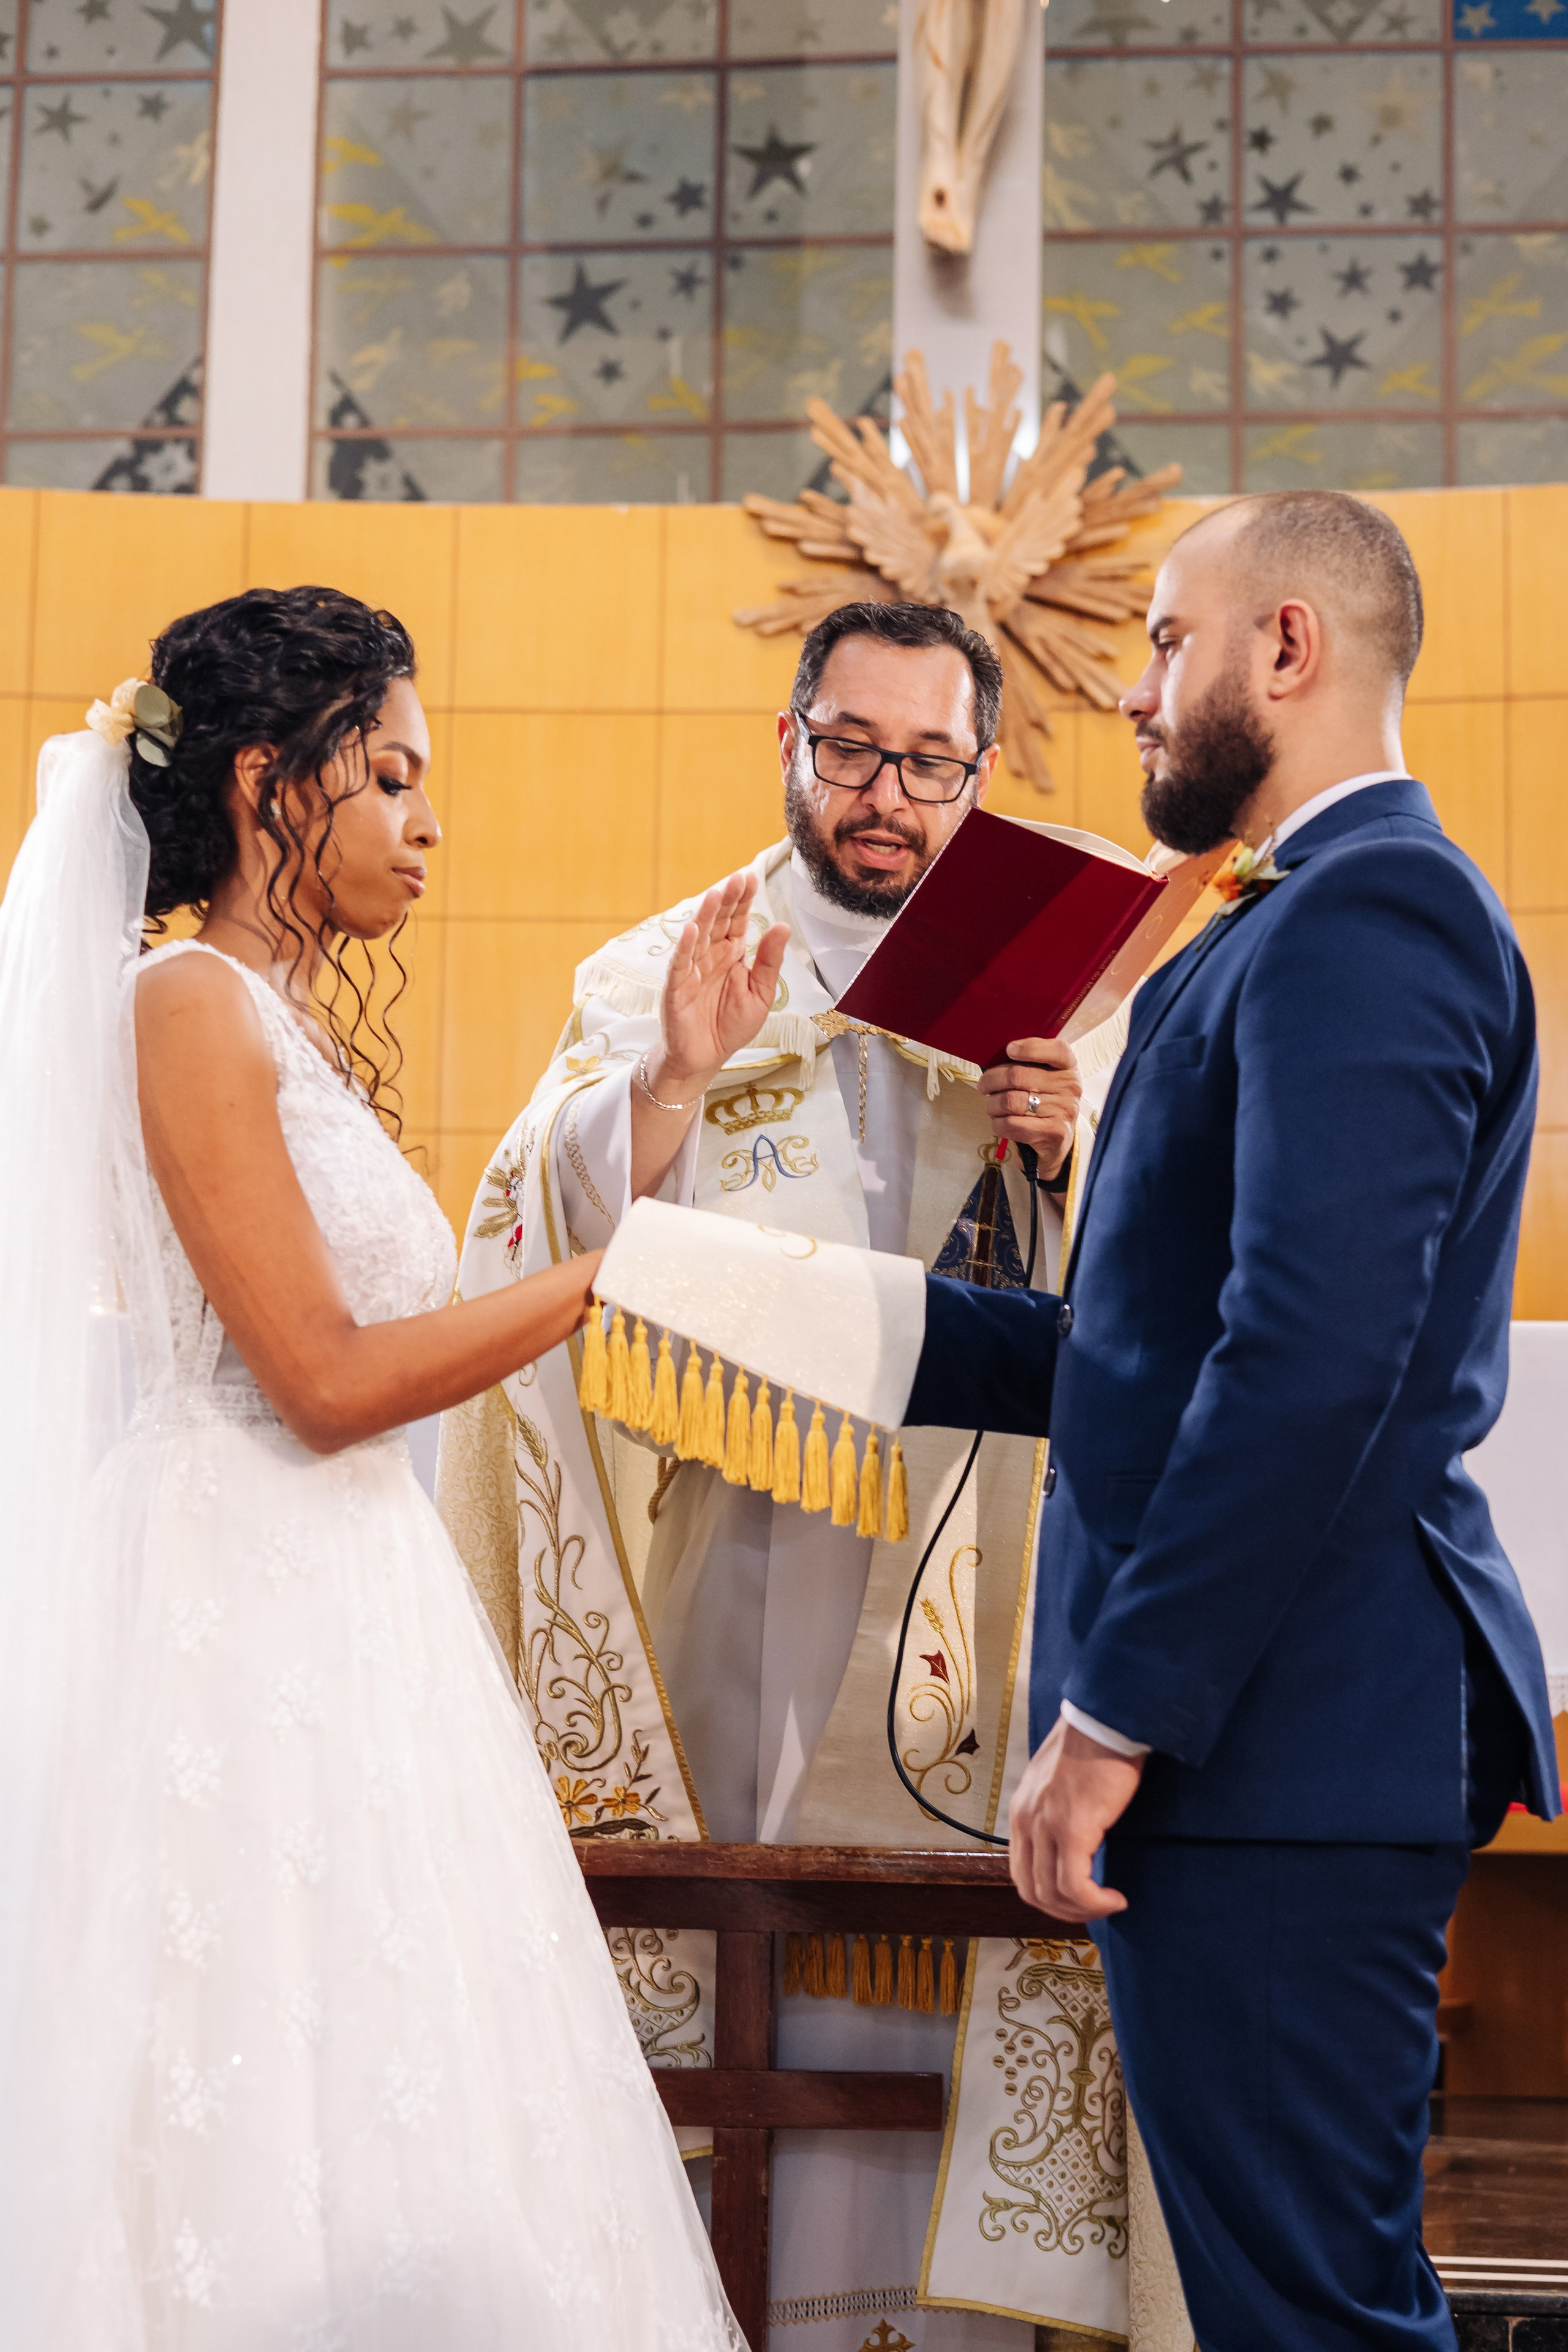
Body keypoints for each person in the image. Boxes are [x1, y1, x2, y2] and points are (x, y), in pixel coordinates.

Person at [0, 586, 742, 2350]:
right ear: (271, 783)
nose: (431, 823)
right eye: (392, 776)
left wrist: (678, 1084)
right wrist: (609, 1290)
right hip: (234, 1605)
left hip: (345, 1603)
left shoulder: (289, 1027)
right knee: (250, 2095)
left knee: (400, 2081)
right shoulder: (185, 1000)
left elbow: (450, 1289)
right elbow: (326, 1379)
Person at [894, 491, 1561, 2351]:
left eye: (1169, 643)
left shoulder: (1377, 911)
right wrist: (820, 1319)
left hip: (1283, 1742)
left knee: (1312, 2321)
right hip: (1272, 1744)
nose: (1133, 688)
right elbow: (1155, 1341)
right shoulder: (1304, 915)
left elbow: (1309, 1359)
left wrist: (1117, 1713)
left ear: (1290, 648)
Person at [439, 600, 1133, 2344]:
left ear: (982, 768)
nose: (883, 795)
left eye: (926, 761)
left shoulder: (1071, 991)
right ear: (788, 740)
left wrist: (1075, 1149)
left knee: (960, 1979)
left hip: (986, 1570)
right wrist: (676, 1074)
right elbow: (542, 1214)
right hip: (754, 1559)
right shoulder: (665, 965)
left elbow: (1140, 1305)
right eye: (849, 750)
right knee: (757, 1952)